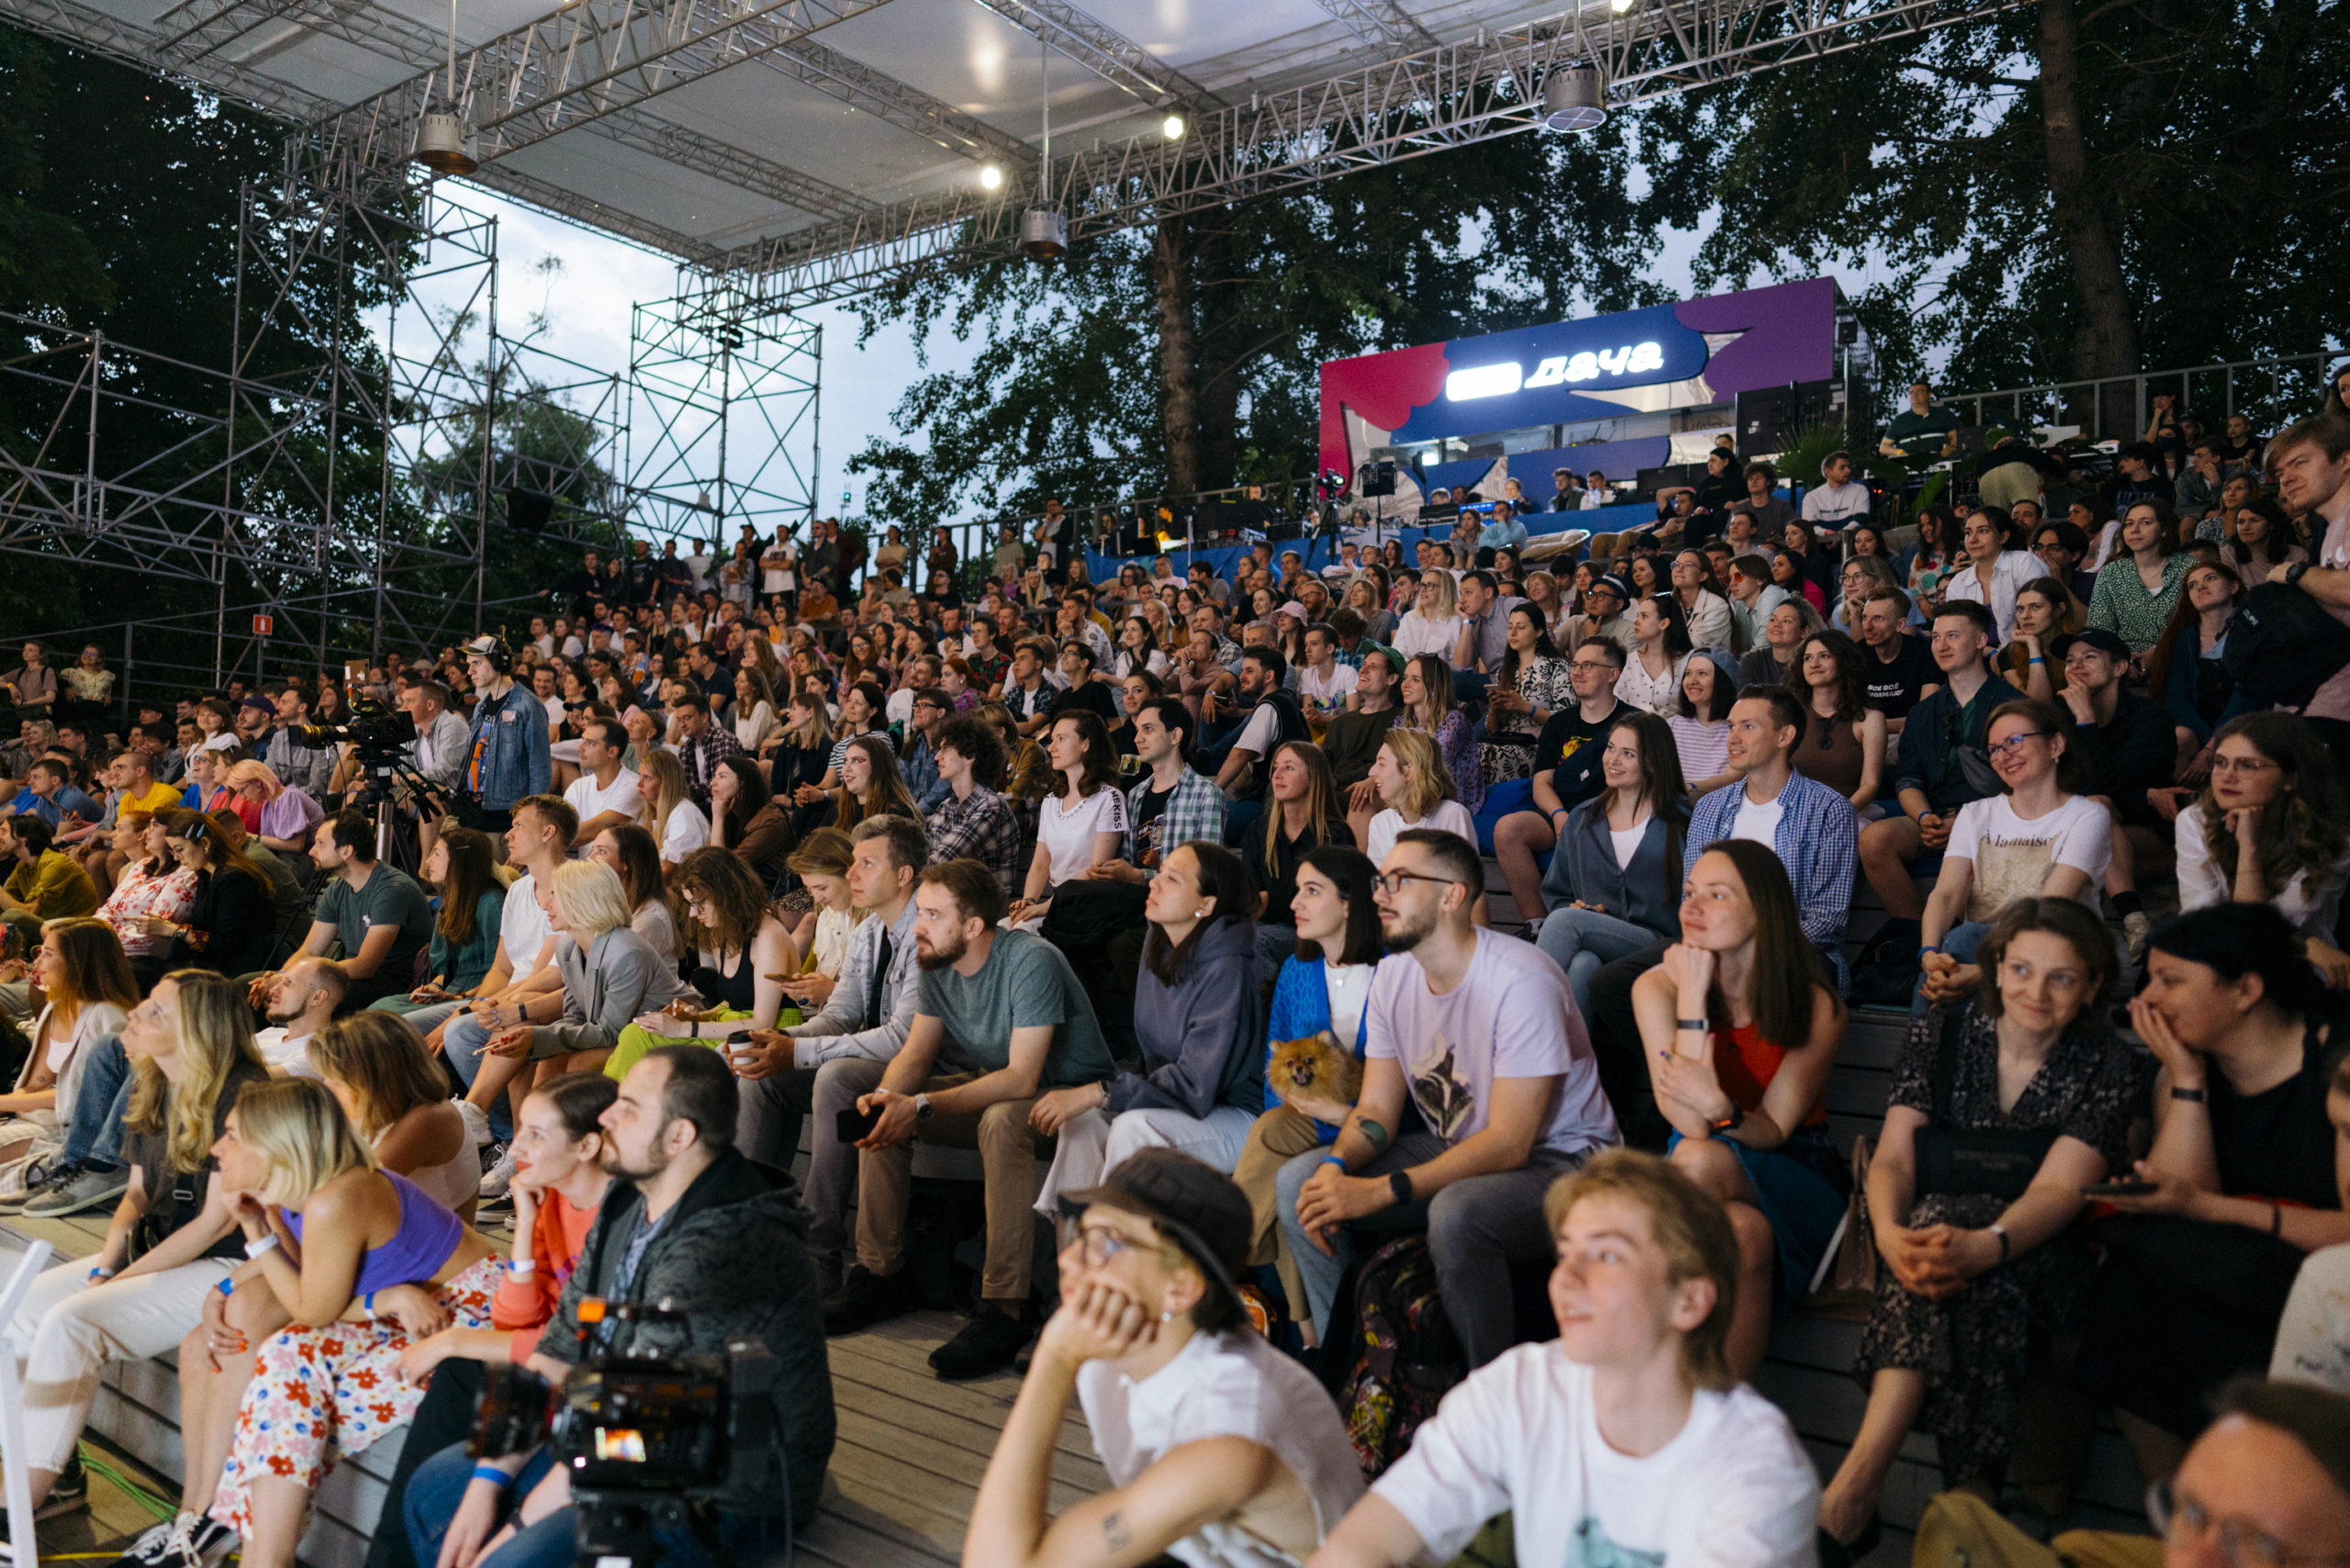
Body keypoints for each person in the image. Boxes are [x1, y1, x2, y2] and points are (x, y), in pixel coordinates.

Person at [402, 1049, 834, 1568]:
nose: (607, 1115)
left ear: (680, 1137)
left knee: (507, 1559)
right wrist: (487, 1485)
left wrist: (514, 1527)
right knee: (437, 1493)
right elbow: (561, 1345)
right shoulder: (628, 1200)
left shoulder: (724, 1243)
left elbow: (636, 1421)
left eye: (628, 1107)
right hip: (624, 1429)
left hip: (722, 1486)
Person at [1305, 1149, 1818, 1568]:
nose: (1567, 1279)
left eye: (1608, 1255)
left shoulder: (1758, 1471)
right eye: (1566, 1252)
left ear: (1690, 1300)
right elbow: (1365, 1542)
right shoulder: (1523, 1386)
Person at [1816, 898, 2139, 1559]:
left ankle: (1854, 1489)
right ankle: (1977, 1500)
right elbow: (1896, 1157)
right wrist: (1887, 1237)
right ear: (1994, 967)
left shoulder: (2107, 1061)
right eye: (2020, 969)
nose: (2036, 992)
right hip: (1937, 1257)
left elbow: (2060, 1189)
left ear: (2094, 985)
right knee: (1943, 1242)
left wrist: (1985, 1245)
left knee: (1955, 1238)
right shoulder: (1944, 1030)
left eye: (2061, 977)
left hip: (2051, 1253)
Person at [1275, 830, 1620, 1368]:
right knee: (1301, 1184)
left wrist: (1380, 1192)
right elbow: (1375, 1113)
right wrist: (1338, 1167)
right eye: (1379, 881)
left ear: (1452, 896)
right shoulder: (1393, 975)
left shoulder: (1519, 981)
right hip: (1455, 1144)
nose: (1380, 894)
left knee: (1458, 1215)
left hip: (1566, 1164)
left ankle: (1485, 1398)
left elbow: (1509, 1144)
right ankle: (1356, 1363)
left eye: (1399, 881)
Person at [970, 1150, 1365, 1568]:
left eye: (1106, 1240)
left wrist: (1053, 1359)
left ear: (1180, 1287)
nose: (1068, 1260)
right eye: (1079, 1235)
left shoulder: (1227, 1430)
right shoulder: (1112, 1360)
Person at [2076, 904, 2350, 1484]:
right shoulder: (2181, 1065)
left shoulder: (2338, 1068)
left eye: (2170, 981)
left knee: (2158, 1281)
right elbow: (2179, 1199)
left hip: (2322, 1273)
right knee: (2133, 1274)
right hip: (2226, 1265)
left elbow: (2345, 1232)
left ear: (2246, 989)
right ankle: (2174, 1503)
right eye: (2148, 979)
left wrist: (2206, 1208)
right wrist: (2189, 1079)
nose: (2145, 1001)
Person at [824, 859, 1119, 1379]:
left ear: (975, 926)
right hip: (1004, 1090)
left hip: (1073, 1104)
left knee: (1000, 1119)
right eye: (922, 912)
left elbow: (1021, 1079)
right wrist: (892, 1099)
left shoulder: (1031, 960)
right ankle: (878, 1274)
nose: (919, 925)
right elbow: (915, 1056)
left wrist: (918, 1106)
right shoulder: (936, 961)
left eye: (934, 915)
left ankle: (1006, 1306)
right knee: (883, 1108)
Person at [1, 969, 263, 1538]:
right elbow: (139, 1192)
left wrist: (118, 1281)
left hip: (234, 1266)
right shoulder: (154, 1081)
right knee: (20, 1309)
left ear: (196, 1031)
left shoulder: (242, 1096)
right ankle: (58, 1475)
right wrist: (110, 1254)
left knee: (71, 1323)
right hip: (163, 1247)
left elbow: (215, 1222)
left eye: (155, 1011)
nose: (136, 1015)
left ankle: (19, 1503)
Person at [1630, 842, 1847, 1381]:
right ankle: (1716, 1424)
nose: (1691, 908)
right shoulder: (1655, 989)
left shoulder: (1815, 1003)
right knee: (1744, 1233)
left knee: (1699, 1160)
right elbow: (1686, 1121)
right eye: (1688, 893)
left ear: (1763, 910)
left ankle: (1646, 1369)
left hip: (1799, 1172)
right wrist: (1691, 1001)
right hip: (1703, 1167)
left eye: (1716, 895)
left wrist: (1722, 1110)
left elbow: (1772, 1128)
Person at [1237, 846, 1382, 1336]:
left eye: (1312, 891)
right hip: (1305, 1120)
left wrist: (1340, 1113)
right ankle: (1306, 1330)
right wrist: (1298, 1105)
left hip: (1373, 1127)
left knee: (1276, 1148)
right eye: (1297, 889)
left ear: (1350, 903)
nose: (1295, 901)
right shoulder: (1298, 971)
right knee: (1278, 1139)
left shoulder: (1394, 972)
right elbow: (1275, 1064)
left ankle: (1223, 1258)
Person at [462, 860, 688, 1120]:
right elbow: (575, 1017)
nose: (545, 904)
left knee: (573, 1058)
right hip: (620, 1032)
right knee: (548, 1052)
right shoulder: (568, 946)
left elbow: (609, 1032)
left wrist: (536, 1037)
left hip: (664, 1035)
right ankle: (527, 1138)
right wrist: (535, 1036)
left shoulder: (627, 951)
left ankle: (552, 1136)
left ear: (582, 900)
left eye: (555, 896)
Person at [1860, 601, 2023, 927]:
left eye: (1952, 636)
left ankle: (1967, 941)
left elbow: (2023, 788)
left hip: (1995, 821)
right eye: (1935, 637)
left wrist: (1965, 824)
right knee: (1874, 839)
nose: (1941, 645)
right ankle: (1912, 934)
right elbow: (1907, 779)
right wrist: (1924, 818)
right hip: (1935, 817)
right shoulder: (1922, 712)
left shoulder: (2014, 706)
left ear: (1979, 641)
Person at [1536, 712, 1688, 1030]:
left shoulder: (1682, 821)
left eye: (1628, 753)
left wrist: (1571, 915)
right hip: (1594, 941)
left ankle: (1517, 1021)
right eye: (1610, 748)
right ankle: (1569, 1073)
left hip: (1659, 944)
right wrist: (1577, 908)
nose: (1613, 760)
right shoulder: (1582, 819)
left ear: (1653, 762)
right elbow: (1558, 894)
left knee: (1565, 923)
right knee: (1583, 963)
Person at [2173, 714, 2350, 986]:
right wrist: (2303, 945)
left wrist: (2249, 846)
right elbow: (2203, 922)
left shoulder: (2332, 838)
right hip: (2219, 968)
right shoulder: (2195, 822)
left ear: (2289, 777)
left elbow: (2257, 936)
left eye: (2247, 765)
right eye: (2220, 763)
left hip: (2295, 978)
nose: (2227, 776)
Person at [608, 845, 795, 1083]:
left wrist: (686, 1030)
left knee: (642, 1040)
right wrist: (696, 1017)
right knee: (636, 1032)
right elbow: (735, 999)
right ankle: (621, 1108)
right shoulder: (725, 930)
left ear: (727, 895)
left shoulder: (769, 937)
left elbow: (763, 1021)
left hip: (764, 1034)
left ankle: (621, 1108)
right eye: (690, 905)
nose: (693, 914)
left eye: (700, 904)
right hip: (735, 1023)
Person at [1489, 638, 1634, 924]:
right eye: (1575, 665)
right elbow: (1542, 782)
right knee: (1508, 829)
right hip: (1561, 813)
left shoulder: (1633, 722)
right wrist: (1558, 816)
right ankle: (1537, 924)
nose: (1577, 672)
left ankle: (1594, 922)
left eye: (1588, 665)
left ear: (1612, 674)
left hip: (1608, 815)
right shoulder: (1558, 723)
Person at [2056, 627, 2176, 958]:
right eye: (2069, 660)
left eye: (2089, 657)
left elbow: (2105, 786)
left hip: (2148, 835)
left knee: (2096, 807)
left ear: (2120, 667)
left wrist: (2085, 720)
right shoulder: (2059, 719)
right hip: (2081, 832)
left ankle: (2132, 921)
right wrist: (2142, 794)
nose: (2076, 666)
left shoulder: (2151, 719)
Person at [308, 1014, 481, 1216]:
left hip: (420, 1244)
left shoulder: (430, 1117)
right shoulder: (378, 1109)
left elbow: (353, 1193)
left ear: (371, 1079)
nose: (327, 1086)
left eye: (335, 1079)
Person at [371, 824, 502, 1017]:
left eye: (437, 854)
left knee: (391, 1020)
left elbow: (502, 971)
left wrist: (459, 997)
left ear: (459, 861)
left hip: (478, 995)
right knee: (380, 1007)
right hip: (450, 990)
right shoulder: (448, 903)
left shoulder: (491, 902)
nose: (429, 862)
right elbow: (445, 969)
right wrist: (433, 987)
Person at [2148, 559, 2254, 779]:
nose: (2200, 587)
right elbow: (2175, 698)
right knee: (2179, 739)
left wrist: (2213, 746)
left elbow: (2249, 696)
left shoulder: (2252, 632)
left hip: (2248, 722)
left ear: (2233, 587)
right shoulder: (2181, 637)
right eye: (2192, 585)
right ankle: (2177, 807)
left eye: (2210, 578)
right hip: (2197, 727)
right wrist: (2206, 742)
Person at [926, 713, 1028, 902]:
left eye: (945, 749)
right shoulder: (945, 807)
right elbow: (925, 852)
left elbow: (939, 862)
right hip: (950, 904)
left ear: (970, 756)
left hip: (984, 913)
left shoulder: (991, 806)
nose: (937, 757)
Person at [458, 635, 552, 830]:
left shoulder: (528, 706)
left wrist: (530, 819)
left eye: (477, 663)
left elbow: (540, 768)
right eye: (469, 664)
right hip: (474, 809)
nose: (470, 671)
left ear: (499, 662)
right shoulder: (481, 707)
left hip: (506, 815)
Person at [1791, 629, 1887, 812]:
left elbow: (1870, 785)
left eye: (1825, 656)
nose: (1815, 664)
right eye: (1808, 658)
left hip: (1850, 812)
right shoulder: (1790, 713)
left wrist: (1836, 814)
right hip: (1794, 811)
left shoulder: (1870, 718)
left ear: (1844, 661)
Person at [2089, 498, 2194, 657]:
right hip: (2125, 662)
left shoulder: (2189, 568)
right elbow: (2100, 629)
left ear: (2164, 529)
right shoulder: (2111, 573)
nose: (2135, 530)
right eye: (2129, 524)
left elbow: (2202, 622)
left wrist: (2157, 654)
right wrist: (2123, 660)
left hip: (2181, 657)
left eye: (2145, 523)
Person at [1360, 729, 1475, 870]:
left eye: (1382, 764)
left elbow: (1467, 884)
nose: (1371, 772)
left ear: (1408, 772)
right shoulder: (1379, 823)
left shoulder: (1453, 815)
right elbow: (1379, 885)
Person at [1942, 507, 2039, 644]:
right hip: (1977, 657)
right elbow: (1956, 634)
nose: (1973, 539)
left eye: (1983, 531)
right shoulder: (1958, 583)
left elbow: (2039, 617)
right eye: (1968, 533)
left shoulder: (2023, 562)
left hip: (2025, 650)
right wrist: (1989, 654)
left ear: (2003, 537)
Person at [1666, 646, 1740, 797]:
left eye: (1702, 673)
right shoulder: (1672, 726)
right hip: (1674, 805)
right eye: (1688, 674)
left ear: (1722, 680)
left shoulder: (1738, 730)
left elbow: (1732, 778)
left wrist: (1690, 788)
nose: (1692, 681)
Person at [557, 716, 640, 846]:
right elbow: (561, 828)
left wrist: (538, 845)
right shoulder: (578, 787)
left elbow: (593, 830)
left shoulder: (634, 786)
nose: (579, 748)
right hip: (584, 865)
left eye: (590, 743)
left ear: (612, 752)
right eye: (582, 740)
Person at [0, 814, 97, 924]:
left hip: (75, 929)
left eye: (4, 832)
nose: (0, 836)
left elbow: (29, 912)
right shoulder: (23, 867)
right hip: (51, 927)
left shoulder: (55, 863)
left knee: (11, 918)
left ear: (23, 837)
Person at [1614, 595, 1695, 719]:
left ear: (1664, 623)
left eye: (1644, 616)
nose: (1636, 621)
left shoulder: (1688, 661)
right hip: (1635, 733)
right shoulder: (1629, 661)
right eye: (1637, 616)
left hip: (1676, 735)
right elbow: (1618, 704)